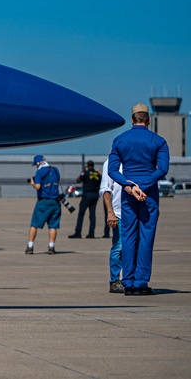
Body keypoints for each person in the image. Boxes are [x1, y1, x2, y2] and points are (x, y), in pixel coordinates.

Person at [107, 103, 170, 296]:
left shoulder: (119, 140)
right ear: (149, 120)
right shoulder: (158, 141)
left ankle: (128, 281)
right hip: (148, 193)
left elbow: (112, 171)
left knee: (128, 236)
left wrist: (130, 186)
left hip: (128, 193)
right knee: (146, 237)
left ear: (132, 120)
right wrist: (142, 186)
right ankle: (141, 282)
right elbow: (162, 169)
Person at [99, 156, 125, 293]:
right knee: (119, 247)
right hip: (119, 213)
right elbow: (105, 189)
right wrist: (110, 213)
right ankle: (115, 280)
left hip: (134, 214)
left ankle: (130, 279)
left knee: (135, 248)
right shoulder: (110, 163)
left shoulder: (135, 160)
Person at [26, 155, 61, 254]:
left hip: (43, 201)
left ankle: (30, 245)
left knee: (34, 224)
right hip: (55, 201)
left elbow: (38, 187)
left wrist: (32, 183)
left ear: (38, 164)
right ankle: (51, 246)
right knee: (53, 225)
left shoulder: (39, 172)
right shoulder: (55, 170)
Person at [69, 160, 102, 238]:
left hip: (87, 194)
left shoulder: (86, 173)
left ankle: (78, 232)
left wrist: (83, 171)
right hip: (95, 194)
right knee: (92, 215)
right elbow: (101, 181)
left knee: (81, 214)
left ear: (87, 165)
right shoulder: (97, 174)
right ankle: (91, 233)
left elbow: (78, 180)